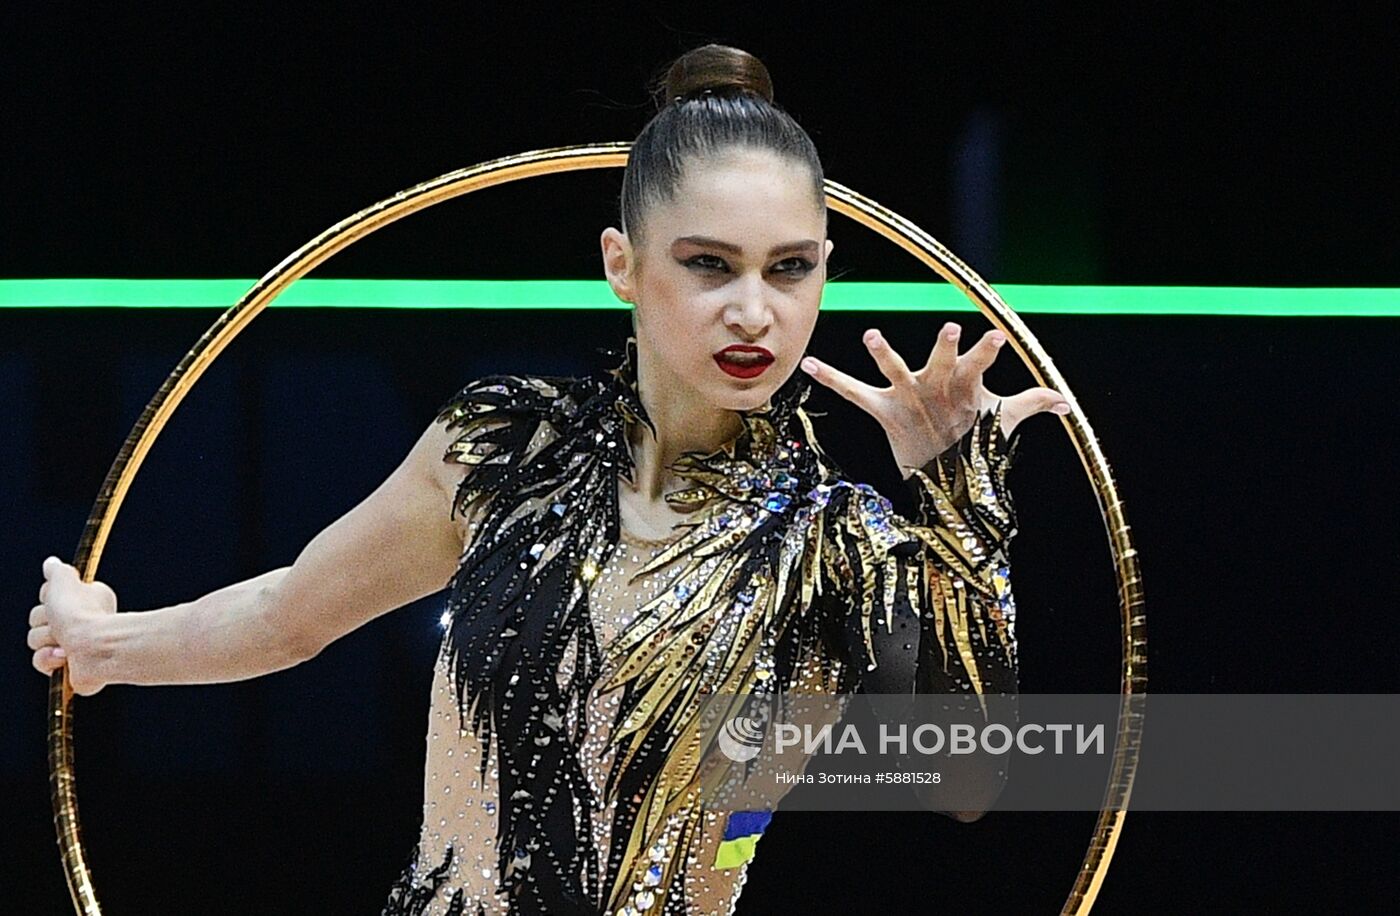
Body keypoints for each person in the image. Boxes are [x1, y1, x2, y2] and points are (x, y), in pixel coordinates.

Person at [28, 44, 1068, 916]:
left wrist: (955, 497)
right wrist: (105, 647)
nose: (753, 310)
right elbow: (292, 613)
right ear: (622, 262)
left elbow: (969, 778)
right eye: (708, 263)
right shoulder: (499, 448)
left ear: (824, 270)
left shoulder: (835, 539)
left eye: (788, 267)